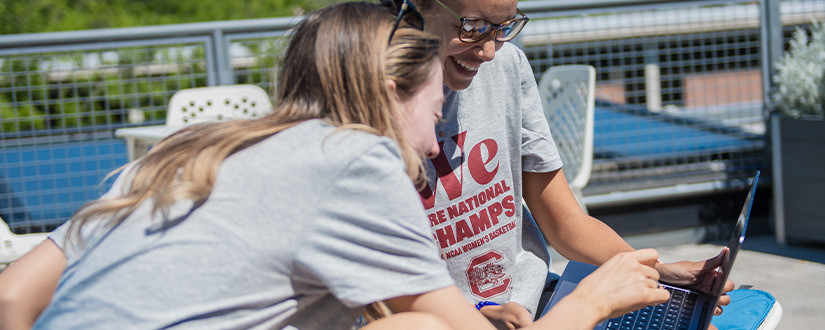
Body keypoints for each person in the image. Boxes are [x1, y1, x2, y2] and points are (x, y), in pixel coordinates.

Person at [0, 2, 671, 329]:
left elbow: (11, 295)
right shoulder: (353, 162)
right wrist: (591, 297)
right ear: (387, 92)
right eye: (434, 107)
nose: (438, 144)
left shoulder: (195, 146)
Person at [402, 0, 735, 327]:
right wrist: (474, 316)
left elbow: (565, 220)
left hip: (538, 300)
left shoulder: (507, 65)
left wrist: (657, 272)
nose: (489, 51)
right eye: (472, 27)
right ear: (415, 7)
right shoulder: (370, 111)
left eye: (504, 28)